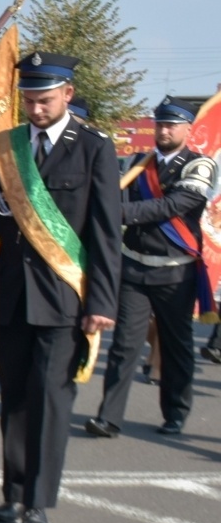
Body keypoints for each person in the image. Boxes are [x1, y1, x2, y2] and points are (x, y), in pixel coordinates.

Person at [0, 53, 119, 523]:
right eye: (28, 100)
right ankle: (13, 492)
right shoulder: (5, 147)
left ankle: (37, 503)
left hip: (64, 297)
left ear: (67, 94)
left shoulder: (93, 148)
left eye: (44, 100)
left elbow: (105, 230)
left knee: (50, 399)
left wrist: (101, 301)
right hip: (11, 294)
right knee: (15, 398)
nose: (35, 109)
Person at [87, 96, 216, 438]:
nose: (165, 129)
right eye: (160, 123)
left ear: (188, 128)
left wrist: (122, 214)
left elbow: (175, 205)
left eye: (172, 124)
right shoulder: (135, 163)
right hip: (134, 268)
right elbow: (109, 194)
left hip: (176, 270)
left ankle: (175, 412)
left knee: (176, 346)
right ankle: (109, 417)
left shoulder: (199, 165)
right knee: (124, 346)